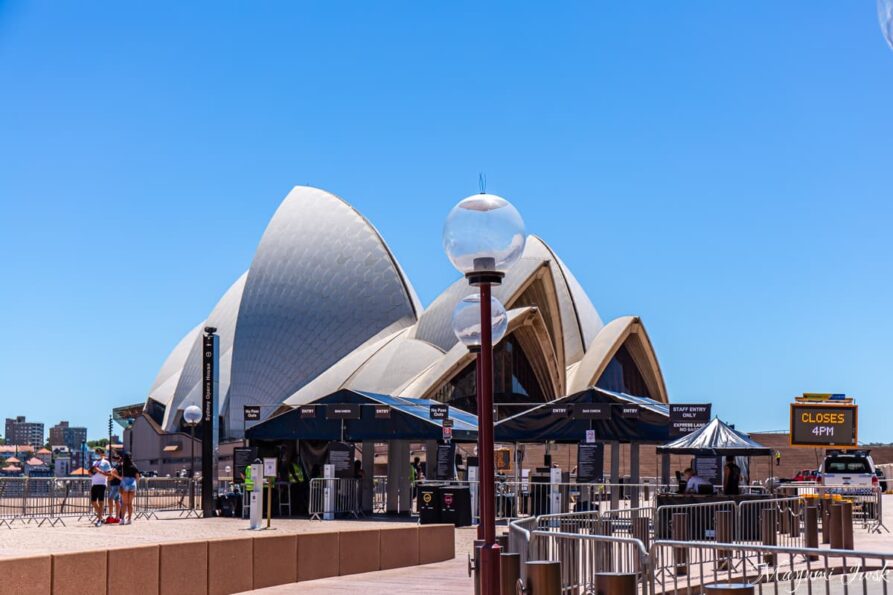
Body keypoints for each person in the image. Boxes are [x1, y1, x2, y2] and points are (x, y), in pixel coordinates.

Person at [89, 447, 112, 527]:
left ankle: (99, 519)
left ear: (102, 454)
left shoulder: (106, 462)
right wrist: (91, 472)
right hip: (94, 483)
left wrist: (100, 471)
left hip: (102, 483)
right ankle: (101, 516)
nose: (97, 454)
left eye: (98, 452)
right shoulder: (94, 462)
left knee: (101, 502)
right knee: (93, 501)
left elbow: (109, 474)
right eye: (96, 452)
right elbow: (91, 472)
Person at [118, 451, 141, 525]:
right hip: (132, 484)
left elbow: (122, 476)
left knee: (124, 503)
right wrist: (135, 483)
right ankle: (130, 519)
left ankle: (122, 520)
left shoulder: (123, 466)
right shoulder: (134, 466)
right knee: (130, 503)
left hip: (125, 483)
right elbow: (138, 477)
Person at [106, 453, 123, 523]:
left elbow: (118, 476)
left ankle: (111, 516)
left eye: (115, 459)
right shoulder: (115, 466)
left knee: (110, 499)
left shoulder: (120, 466)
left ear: (118, 459)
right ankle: (117, 517)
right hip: (114, 485)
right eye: (113, 459)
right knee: (116, 500)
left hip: (117, 484)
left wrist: (112, 474)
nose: (113, 460)